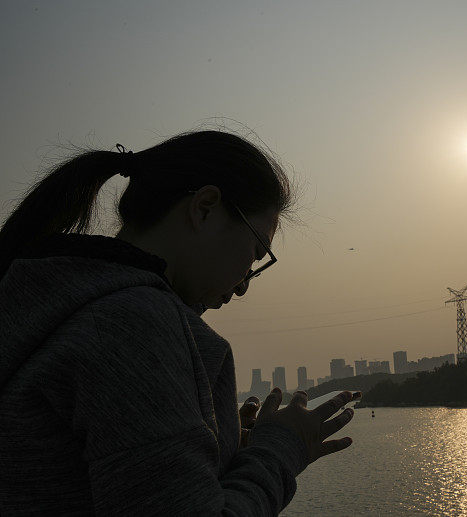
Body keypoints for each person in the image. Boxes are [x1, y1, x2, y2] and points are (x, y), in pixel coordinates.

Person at [0, 130, 359, 515]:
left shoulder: (49, 299)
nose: (243, 286)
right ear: (205, 207)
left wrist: (205, 439)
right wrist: (281, 449)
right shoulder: (134, 326)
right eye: (256, 254)